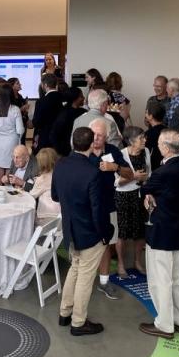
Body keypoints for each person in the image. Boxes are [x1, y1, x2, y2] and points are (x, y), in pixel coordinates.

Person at [52, 127, 109, 336]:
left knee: (75, 269)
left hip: (70, 229)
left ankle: (64, 312)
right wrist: (105, 233)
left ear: (72, 142)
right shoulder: (93, 172)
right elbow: (97, 210)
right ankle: (78, 322)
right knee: (85, 276)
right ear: (92, 143)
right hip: (89, 233)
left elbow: (55, 196)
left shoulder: (60, 165)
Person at [139, 129, 179, 339]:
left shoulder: (162, 172)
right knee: (177, 279)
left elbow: (145, 188)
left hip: (161, 231)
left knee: (160, 279)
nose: (157, 145)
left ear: (167, 148)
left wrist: (150, 194)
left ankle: (164, 324)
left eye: (160, 143)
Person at [89, 119, 133, 292]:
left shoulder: (113, 151)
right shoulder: (83, 151)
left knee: (106, 244)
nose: (96, 138)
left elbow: (129, 174)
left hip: (108, 206)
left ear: (107, 136)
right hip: (87, 207)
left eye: (100, 135)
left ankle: (104, 282)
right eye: (94, 134)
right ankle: (84, 281)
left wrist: (114, 166)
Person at [115, 126, 151, 273]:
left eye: (144, 137)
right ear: (131, 141)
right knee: (122, 233)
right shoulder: (121, 155)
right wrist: (133, 177)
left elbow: (149, 173)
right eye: (141, 138)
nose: (144, 140)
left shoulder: (146, 151)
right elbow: (116, 182)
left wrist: (146, 186)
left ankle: (137, 261)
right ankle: (121, 264)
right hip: (123, 196)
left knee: (140, 231)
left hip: (140, 194)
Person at [0, 84, 25, 183]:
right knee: (10, 173)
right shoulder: (15, 109)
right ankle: (9, 196)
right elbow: (20, 130)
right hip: (11, 142)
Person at [32, 73, 63, 153]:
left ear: (44, 85)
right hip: (61, 136)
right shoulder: (63, 98)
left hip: (45, 137)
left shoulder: (41, 101)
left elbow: (37, 122)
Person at [28, 147, 61, 224]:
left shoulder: (42, 179)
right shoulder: (60, 174)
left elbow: (32, 195)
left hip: (46, 216)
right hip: (60, 214)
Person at [51, 87, 87, 157]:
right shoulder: (64, 114)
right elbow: (54, 134)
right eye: (81, 96)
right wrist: (61, 151)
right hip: (67, 151)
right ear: (74, 99)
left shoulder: (82, 111)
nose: (83, 98)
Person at [144, 102, 166, 170]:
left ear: (150, 116)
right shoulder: (168, 131)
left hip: (154, 166)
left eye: (146, 113)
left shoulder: (148, 134)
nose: (145, 115)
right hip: (167, 163)